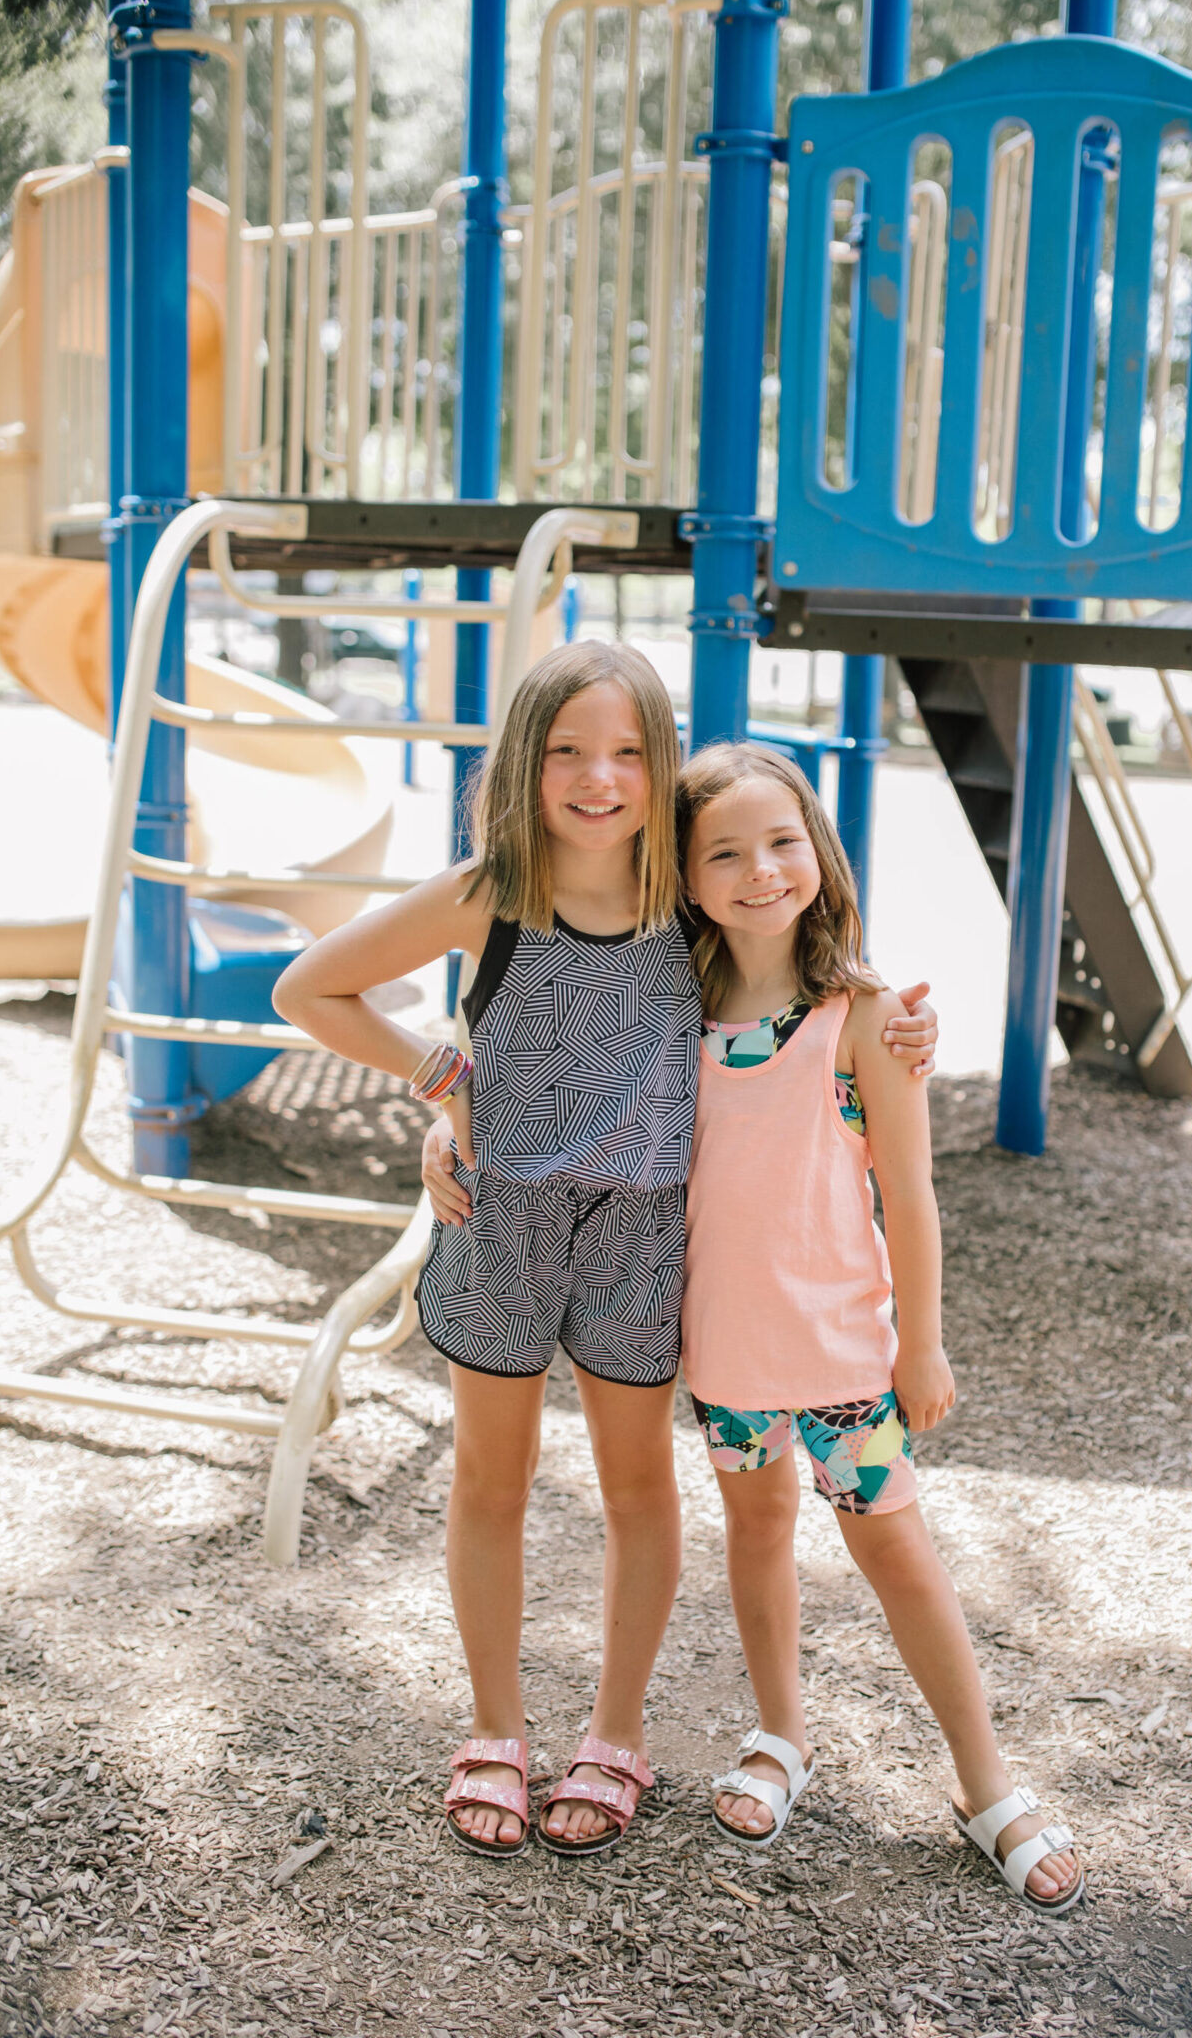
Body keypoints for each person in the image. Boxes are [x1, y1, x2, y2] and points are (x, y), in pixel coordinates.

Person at [278, 640, 939, 1859]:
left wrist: (901, 1026)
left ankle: (615, 1732)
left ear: (661, 765)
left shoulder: (680, 891)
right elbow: (310, 989)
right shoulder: (489, 893)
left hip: (641, 1232)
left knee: (640, 1490)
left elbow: (786, 949)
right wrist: (443, 1081)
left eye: (629, 752)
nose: (598, 778)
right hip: (503, 1224)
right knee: (493, 1481)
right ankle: (494, 1726)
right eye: (569, 751)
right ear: (524, 760)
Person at [675, 740, 1084, 1914]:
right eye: (727, 854)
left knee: (897, 1550)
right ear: (689, 880)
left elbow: (911, 1195)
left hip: (849, 1356)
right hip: (728, 1354)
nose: (761, 870)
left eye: (782, 841)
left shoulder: (864, 1014)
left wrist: (924, 1343)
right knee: (755, 1534)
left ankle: (985, 1782)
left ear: (819, 849)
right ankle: (782, 1736)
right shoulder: (675, 1011)